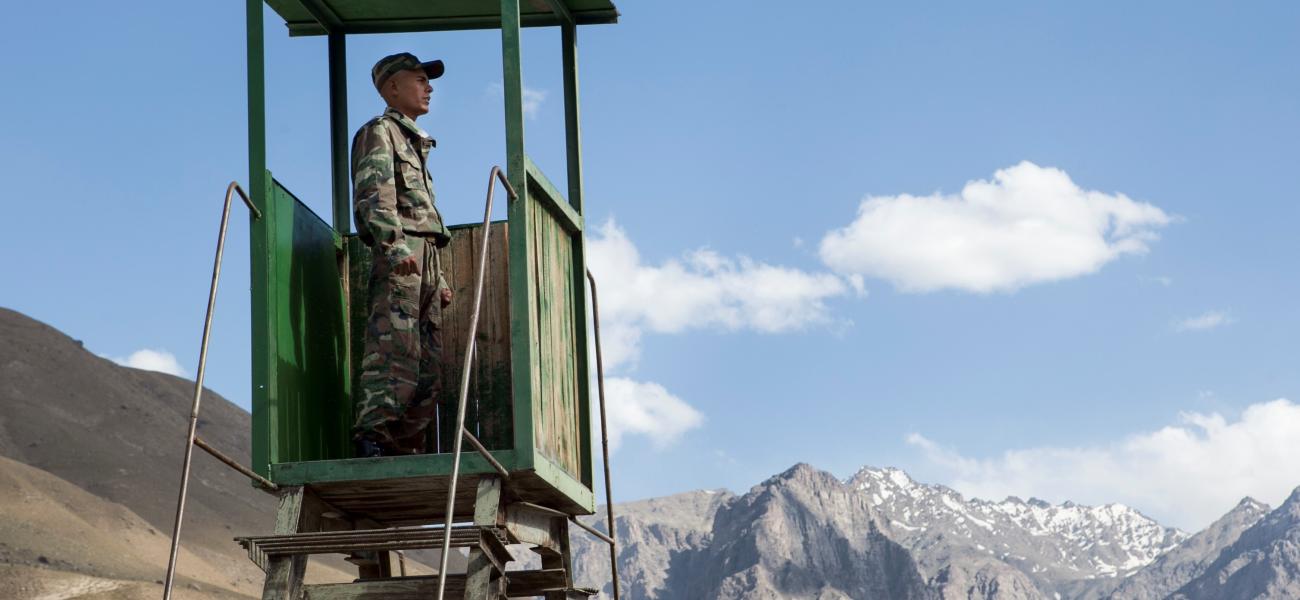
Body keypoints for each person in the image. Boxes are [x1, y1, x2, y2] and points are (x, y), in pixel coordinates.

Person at [351, 52, 454, 458]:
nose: (428, 87)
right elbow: (374, 197)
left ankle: (404, 444)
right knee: (394, 348)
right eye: (419, 78)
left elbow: (422, 211)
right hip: (403, 252)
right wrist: (393, 247)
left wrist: (439, 277)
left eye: (429, 81)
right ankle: (372, 437)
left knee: (428, 360)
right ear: (392, 87)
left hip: (426, 255)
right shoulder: (380, 132)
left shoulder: (415, 141)